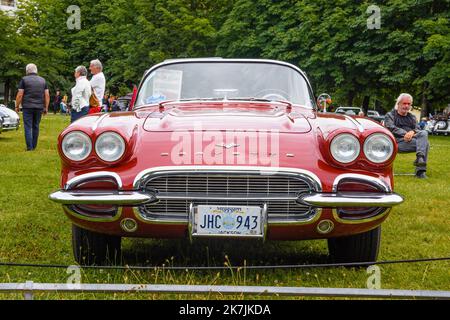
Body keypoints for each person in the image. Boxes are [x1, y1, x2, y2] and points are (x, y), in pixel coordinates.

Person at [384, 93, 430, 179]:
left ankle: (420, 162)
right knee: (425, 144)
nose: (406, 106)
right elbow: (391, 128)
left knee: (424, 133)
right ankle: (420, 169)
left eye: (409, 104)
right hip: (395, 143)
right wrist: (406, 133)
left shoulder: (412, 117)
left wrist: (412, 132)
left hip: (410, 142)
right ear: (398, 104)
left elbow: (418, 129)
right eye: (404, 103)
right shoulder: (390, 115)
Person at [15, 63, 50, 151]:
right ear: (36, 70)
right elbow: (47, 95)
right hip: (39, 107)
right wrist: (46, 107)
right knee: (36, 126)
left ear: (27, 71)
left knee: (28, 126)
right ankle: (34, 146)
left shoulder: (24, 79)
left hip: (27, 106)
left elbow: (20, 94)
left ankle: (29, 148)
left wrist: (17, 106)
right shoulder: (43, 80)